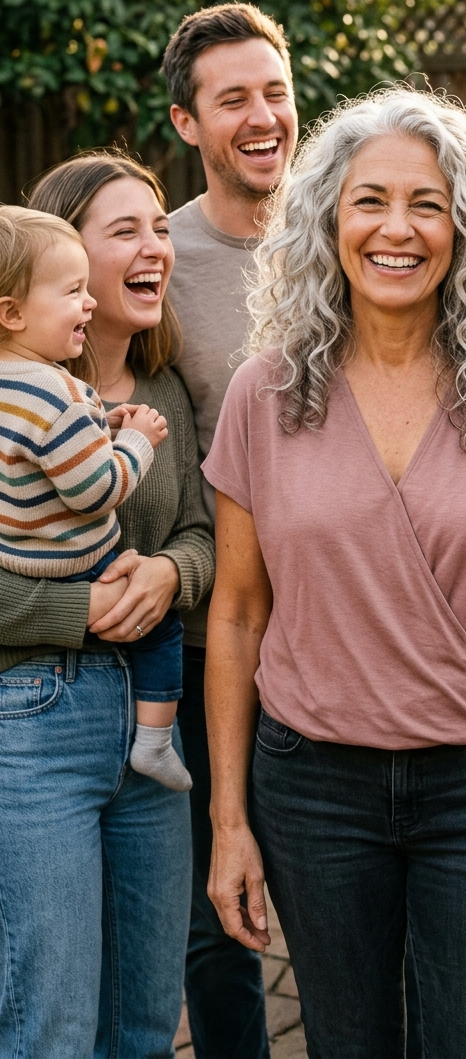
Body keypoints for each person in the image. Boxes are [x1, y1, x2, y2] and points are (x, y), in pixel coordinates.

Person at [203, 88, 466, 1059]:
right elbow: (239, 615)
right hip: (312, 789)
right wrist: (228, 818)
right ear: (327, 219)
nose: (397, 228)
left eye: (428, 204)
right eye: (370, 200)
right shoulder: (265, 391)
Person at [0, 151, 214, 1056]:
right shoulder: (15, 399)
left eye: (160, 227)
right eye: (125, 231)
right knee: (51, 1023)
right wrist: (76, 611)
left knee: (144, 1020)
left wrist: (169, 575)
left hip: (152, 721)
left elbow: (201, 533)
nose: (155, 247)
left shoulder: (165, 393)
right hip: (36, 714)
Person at [163, 2, 298, 1059]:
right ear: (187, 122)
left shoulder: (353, 230)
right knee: (220, 918)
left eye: (275, 91)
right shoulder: (158, 260)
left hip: (350, 625)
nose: (262, 117)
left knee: (360, 899)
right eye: (233, 99)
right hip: (217, 629)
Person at [0, 205, 192, 793]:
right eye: (73, 291)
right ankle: (155, 740)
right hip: (80, 570)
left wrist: (98, 427)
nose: (87, 303)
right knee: (162, 633)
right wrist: (136, 443)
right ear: (13, 313)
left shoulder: (14, 388)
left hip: (21, 559)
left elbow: (35, 456)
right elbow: (96, 491)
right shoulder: (55, 391)